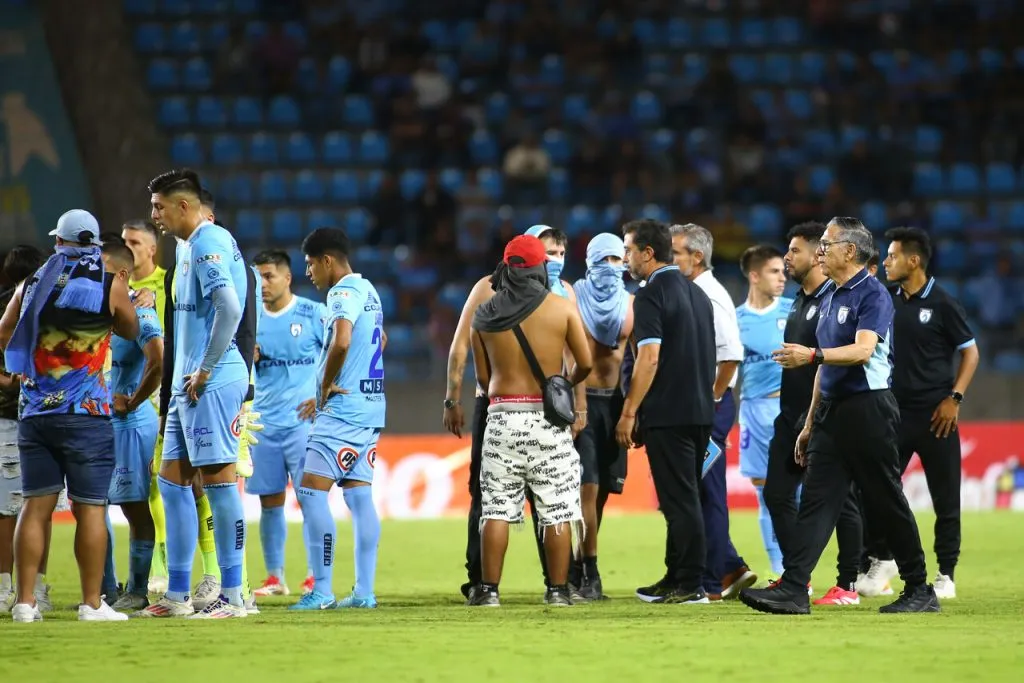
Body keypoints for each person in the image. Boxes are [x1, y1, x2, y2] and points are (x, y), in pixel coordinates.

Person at [741, 217, 938, 615]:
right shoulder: (831, 296)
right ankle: (795, 588)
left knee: (885, 499)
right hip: (832, 411)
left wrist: (811, 354)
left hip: (869, 408)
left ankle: (919, 587)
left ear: (850, 251)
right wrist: (810, 423)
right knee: (818, 500)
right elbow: (825, 371)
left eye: (827, 245)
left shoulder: (873, 295)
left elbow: (863, 351)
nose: (820, 251)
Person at [1, 210, 138, 622]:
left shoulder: (32, 283)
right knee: (90, 509)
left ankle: (24, 602)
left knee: (34, 507)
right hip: (87, 412)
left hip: (37, 412)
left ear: (58, 242)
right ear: (94, 244)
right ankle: (91, 604)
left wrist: (29, 363)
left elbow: (4, 329)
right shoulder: (108, 284)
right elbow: (130, 330)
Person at [443, 224, 583, 600]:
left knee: (497, 507)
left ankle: (487, 590)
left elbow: (485, 377)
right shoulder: (562, 307)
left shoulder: (484, 312)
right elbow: (583, 363)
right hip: (548, 418)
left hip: (502, 417)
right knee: (555, 506)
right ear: (540, 267)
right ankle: (557, 590)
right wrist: (560, 384)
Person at [138, 169, 250, 619]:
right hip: (188, 385)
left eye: (159, 207)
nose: (154, 215)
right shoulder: (188, 247)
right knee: (171, 482)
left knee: (221, 488)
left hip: (212, 380)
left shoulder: (208, 243)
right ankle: (179, 594)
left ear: (183, 206)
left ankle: (236, 595)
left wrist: (205, 369)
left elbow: (231, 306)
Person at [858, 227, 979, 601]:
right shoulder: (884, 299)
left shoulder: (943, 303)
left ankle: (946, 574)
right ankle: (882, 559)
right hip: (894, 413)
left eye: (892, 256)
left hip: (937, 417)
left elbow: (970, 353)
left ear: (914, 261)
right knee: (877, 490)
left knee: (945, 498)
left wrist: (954, 398)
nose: (887, 262)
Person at [618, 219, 716, 604]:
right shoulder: (696, 294)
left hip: (669, 414)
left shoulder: (650, 295)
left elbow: (649, 357)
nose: (626, 257)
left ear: (647, 253)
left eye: (629, 250)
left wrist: (629, 412)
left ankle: (692, 584)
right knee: (683, 497)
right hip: (698, 411)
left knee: (680, 501)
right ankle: (676, 576)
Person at [290, 227, 385, 611]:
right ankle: (364, 592)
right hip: (370, 408)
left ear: (327, 261)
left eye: (311, 264)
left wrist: (326, 387)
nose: (309, 273)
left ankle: (323, 589)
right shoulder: (370, 291)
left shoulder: (342, 293)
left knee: (311, 490)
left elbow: (343, 340)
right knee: (360, 497)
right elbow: (379, 340)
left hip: (343, 415)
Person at [669, 223, 755, 600]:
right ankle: (730, 567)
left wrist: (713, 401)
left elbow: (731, 354)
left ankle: (708, 582)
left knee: (707, 493)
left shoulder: (710, 296)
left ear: (696, 257)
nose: (669, 260)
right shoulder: (694, 290)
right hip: (701, 406)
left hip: (710, 409)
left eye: (674, 253)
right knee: (698, 491)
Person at [249, 249, 326, 597]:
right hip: (263, 423)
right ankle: (274, 578)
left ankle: (314, 577)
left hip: (302, 425)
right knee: (270, 502)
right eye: (258, 278)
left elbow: (349, 350)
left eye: (269, 276)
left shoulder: (313, 314)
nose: (262, 284)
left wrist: (324, 397)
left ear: (287, 278)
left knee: (311, 500)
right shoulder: (249, 321)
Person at [99, 238, 164, 612]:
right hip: (98, 421)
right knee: (92, 505)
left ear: (121, 273)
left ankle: (137, 590)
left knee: (134, 508)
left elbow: (157, 359)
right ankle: (107, 589)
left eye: (103, 271)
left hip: (130, 424)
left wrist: (135, 400)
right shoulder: (95, 309)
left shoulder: (141, 310)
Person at [570, 233, 633, 600]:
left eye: (616, 259)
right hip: (585, 404)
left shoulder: (631, 305)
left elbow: (638, 359)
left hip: (615, 405)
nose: (611, 267)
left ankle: (580, 566)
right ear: (591, 262)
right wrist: (578, 406)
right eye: (604, 260)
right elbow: (570, 356)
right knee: (586, 489)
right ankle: (590, 573)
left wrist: (631, 411)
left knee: (603, 492)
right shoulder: (573, 300)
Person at [121, 219, 172, 594]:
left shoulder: (168, 284)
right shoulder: (117, 289)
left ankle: (168, 565)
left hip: (160, 391)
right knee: (143, 489)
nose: (130, 248)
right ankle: (154, 568)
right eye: (125, 242)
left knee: (162, 483)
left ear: (152, 248)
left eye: (136, 242)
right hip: (129, 392)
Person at [736, 245, 792, 578]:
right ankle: (780, 570)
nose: (782, 277)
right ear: (754, 276)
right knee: (764, 492)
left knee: (797, 492)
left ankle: (803, 569)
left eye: (783, 271)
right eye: (774, 271)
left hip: (789, 409)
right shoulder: (735, 319)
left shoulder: (793, 310)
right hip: (753, 411)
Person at [0, 245, 47, 614]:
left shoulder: (5, 306)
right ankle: (39, 591)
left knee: (6, 510)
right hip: (35, 413)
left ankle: (3, 588)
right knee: (39, 505)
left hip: (6, 420)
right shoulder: (48, 303)